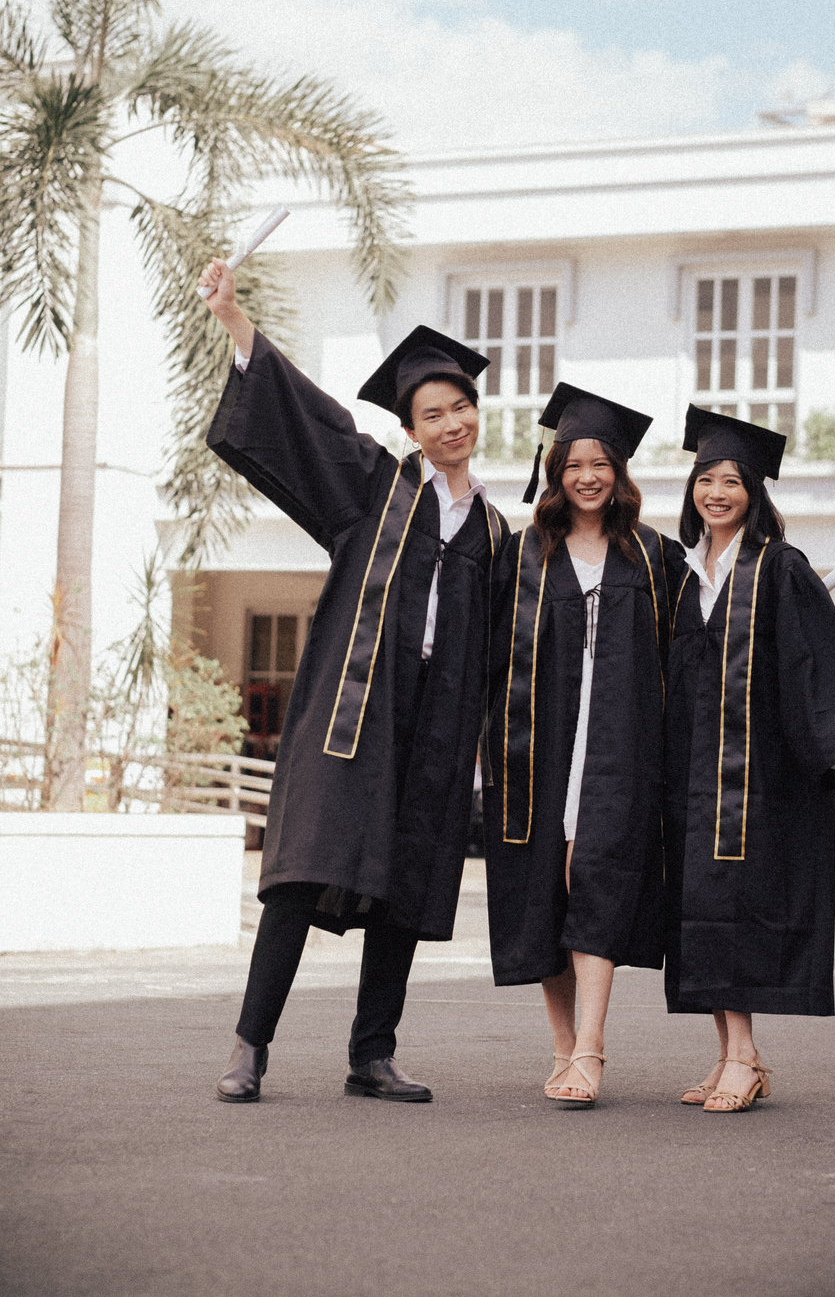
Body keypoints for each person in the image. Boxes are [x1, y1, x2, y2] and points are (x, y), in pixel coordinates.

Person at [199, 258, 508, 1104]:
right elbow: (306, 416)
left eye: (460, 408)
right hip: (353, 709)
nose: (451, 423)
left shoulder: (492, 528)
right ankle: (249, 1046)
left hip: (436, 725)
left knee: (405, 885)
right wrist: (236, 324)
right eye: (432, 413)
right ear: (411, 427)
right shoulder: (374, 486)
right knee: (302, 868)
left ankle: (371, 1052)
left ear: (478, 414)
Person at [664, 405, 835, 1112]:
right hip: (690, 779)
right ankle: (734, 1056)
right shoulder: (683, 573)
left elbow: (815, 662)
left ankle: (743, 1056)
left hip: (754, 781)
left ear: (755, 493)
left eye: (731, 480)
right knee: (699, 914)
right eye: (706, 478)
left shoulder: (780, 567)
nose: (716, 492)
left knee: (736, 911)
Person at [483, 384, 684, 1108]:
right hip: (537, 748)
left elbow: (694, 652)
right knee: (545, 891)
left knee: (596, 882)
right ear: (555, 471)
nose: (587, 475)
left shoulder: (657, 554)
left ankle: (592, 1048)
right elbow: (480, 652)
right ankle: (564, 1045)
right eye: (574, 462)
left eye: (601, 462)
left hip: (621, 752)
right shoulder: (523, 552)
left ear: (620, 471)